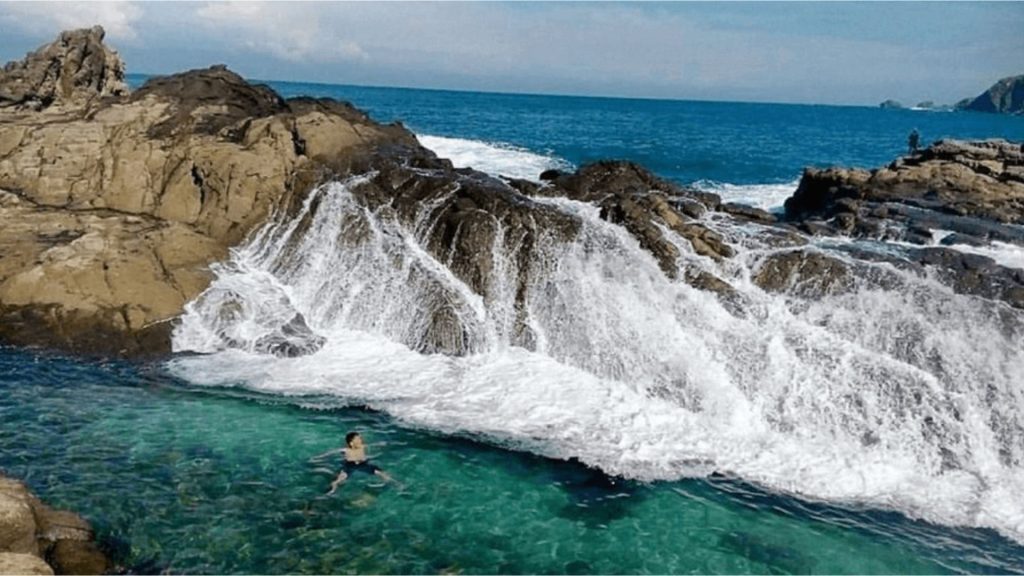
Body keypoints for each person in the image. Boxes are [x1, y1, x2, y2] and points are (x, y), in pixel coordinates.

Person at [311, 431, 394, 494]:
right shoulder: (346, 450)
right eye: (358, 439)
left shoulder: (363, 447)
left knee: (383, 474)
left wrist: (382, 444)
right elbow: (331, 453)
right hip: (350, 466)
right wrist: (318, 458)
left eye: (360, 438)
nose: (361, 440)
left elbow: (374, 446)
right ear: (351, 443)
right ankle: (331, 491)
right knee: (339, 480)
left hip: (364, 464)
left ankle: (395, 485)